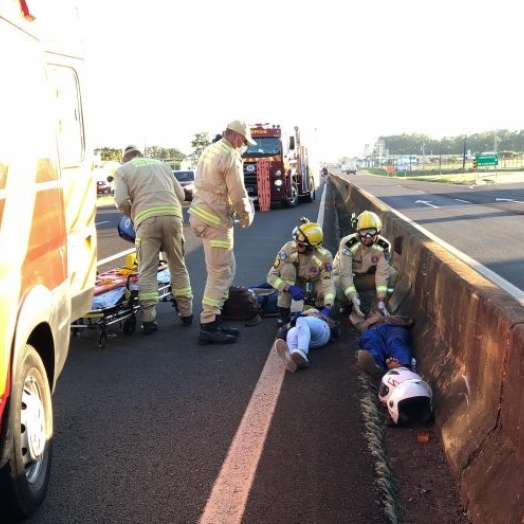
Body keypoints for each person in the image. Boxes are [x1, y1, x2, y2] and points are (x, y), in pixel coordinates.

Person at [188, 120, 255, 345]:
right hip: (215, 219)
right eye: (244, 141)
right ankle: (209, 325)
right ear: (235, 136)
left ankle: (217, 316)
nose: (244, 145)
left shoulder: (210, 149)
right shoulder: (229, 155)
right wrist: (246, 214)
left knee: (227, 268)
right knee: (220, 272)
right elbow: (237, 194)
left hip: (200, 215)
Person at [114, 145, 193, 334]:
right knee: (178, 266)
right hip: (173, 217)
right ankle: (186, 313)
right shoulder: (162, 165)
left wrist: (133, 214)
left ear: (126, 159)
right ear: (141, 155)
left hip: (146, 221)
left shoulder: (123, 170)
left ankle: (148, 319)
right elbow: (181, 195)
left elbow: (121, 201)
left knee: (147, 269)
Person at [266, 218, 336, 327]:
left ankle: (315, 305)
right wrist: (288, 287)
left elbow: (329, 284)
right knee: (287, 269)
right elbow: (271, 276)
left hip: (313, 285)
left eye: (301, 245)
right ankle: (283, 313)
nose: (297, 245)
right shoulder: (288, 249)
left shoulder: (325, 256)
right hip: (295, 283)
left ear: (312, 246)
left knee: (324, 288)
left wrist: (328, 306)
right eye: (296, 242)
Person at [332, 210, 396, 318]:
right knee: (337, 285)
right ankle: (347, 304)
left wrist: (381, 299)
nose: (367, 237)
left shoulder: (383, 246)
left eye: (371, 232)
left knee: (392, 274)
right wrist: (353, 296)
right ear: (357, 232)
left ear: (378, 231)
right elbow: (345, 274)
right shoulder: (347, 244)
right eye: (363, 232)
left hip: (365, 277)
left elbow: (382, 273)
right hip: (347, 276)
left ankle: (377, 310)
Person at [350, 311, 415, 379]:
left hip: (393, 327)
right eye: (369, 315)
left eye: (373, 313)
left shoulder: (390, 317)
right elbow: (352, 316)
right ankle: (376, 365)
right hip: (373, 330)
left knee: (396, 342)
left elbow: (408, 320)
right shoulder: (364, 324)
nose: (371, 314)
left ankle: (402, 367)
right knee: (371, 342)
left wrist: (387, 318)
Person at [274, 308, 340, 373]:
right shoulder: (299, 321)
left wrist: (314, 312)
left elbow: (325, 312)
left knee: (301, 321)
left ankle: (302, 351)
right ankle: (292, 359)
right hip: (312, 341)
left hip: (324, 329)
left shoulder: (309, 316)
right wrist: (300, 314)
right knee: (292, 331)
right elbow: (281, 335)